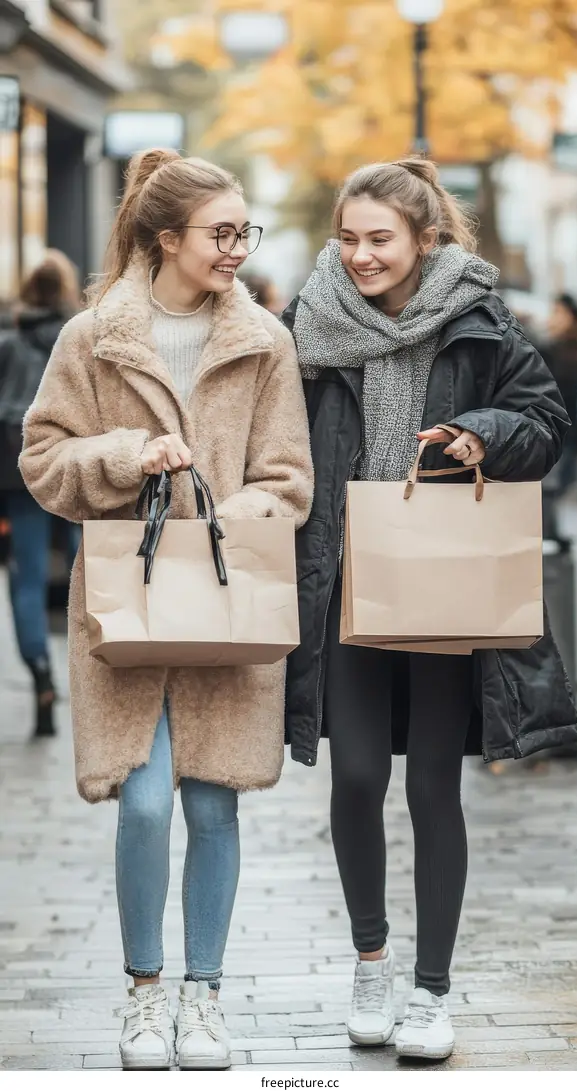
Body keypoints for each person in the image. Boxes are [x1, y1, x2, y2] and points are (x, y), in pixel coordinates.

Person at [19, 149, 313, 1071]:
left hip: (227, 606)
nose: (236, 248)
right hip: (129, 609)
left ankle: (205, 998)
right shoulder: (91, 338)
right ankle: (143, 995)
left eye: (243, 232)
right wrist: (123, 454)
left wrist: (237, 517)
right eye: (221, 232)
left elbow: (289, 479)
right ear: (166, 238)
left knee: (215, 808)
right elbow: (42, 461)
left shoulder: (264, 340)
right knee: (143, 805)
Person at [283, 158, 577, 1062]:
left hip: (445, 578)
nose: (362, 254)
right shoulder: (306, 328)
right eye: (349, 236)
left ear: (426, 239)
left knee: (431, 787)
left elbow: (547, 425)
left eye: (381, 238)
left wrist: (482, 433)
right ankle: (371, 962)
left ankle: (431, 989)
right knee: (359, 775)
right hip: (345, 580)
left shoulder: (482, 323)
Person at [0, 250, 80, 738]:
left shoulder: (8, 343)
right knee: (87, 569)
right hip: (72, 464)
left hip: (19, 472)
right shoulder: (79, 337)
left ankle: (41, 676)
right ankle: (97, 673)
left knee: (27, 578)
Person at [540, 293, 577, 498]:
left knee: (548, 499)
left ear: (572, 319)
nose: (551, 319)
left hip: (560, 439)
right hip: (555, 437)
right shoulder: (553, 350)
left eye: (558, 313)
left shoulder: (566, 355)